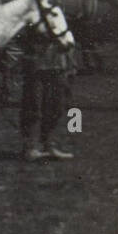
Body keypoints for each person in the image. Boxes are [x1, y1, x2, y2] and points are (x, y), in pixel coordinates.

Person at [18, 34, 74, 162]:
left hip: (58, 66)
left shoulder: (60, 17)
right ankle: (30, 147)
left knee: (56, 107)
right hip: (36, 68)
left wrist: (70, 61)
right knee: (33, 107)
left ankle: (48, 145)